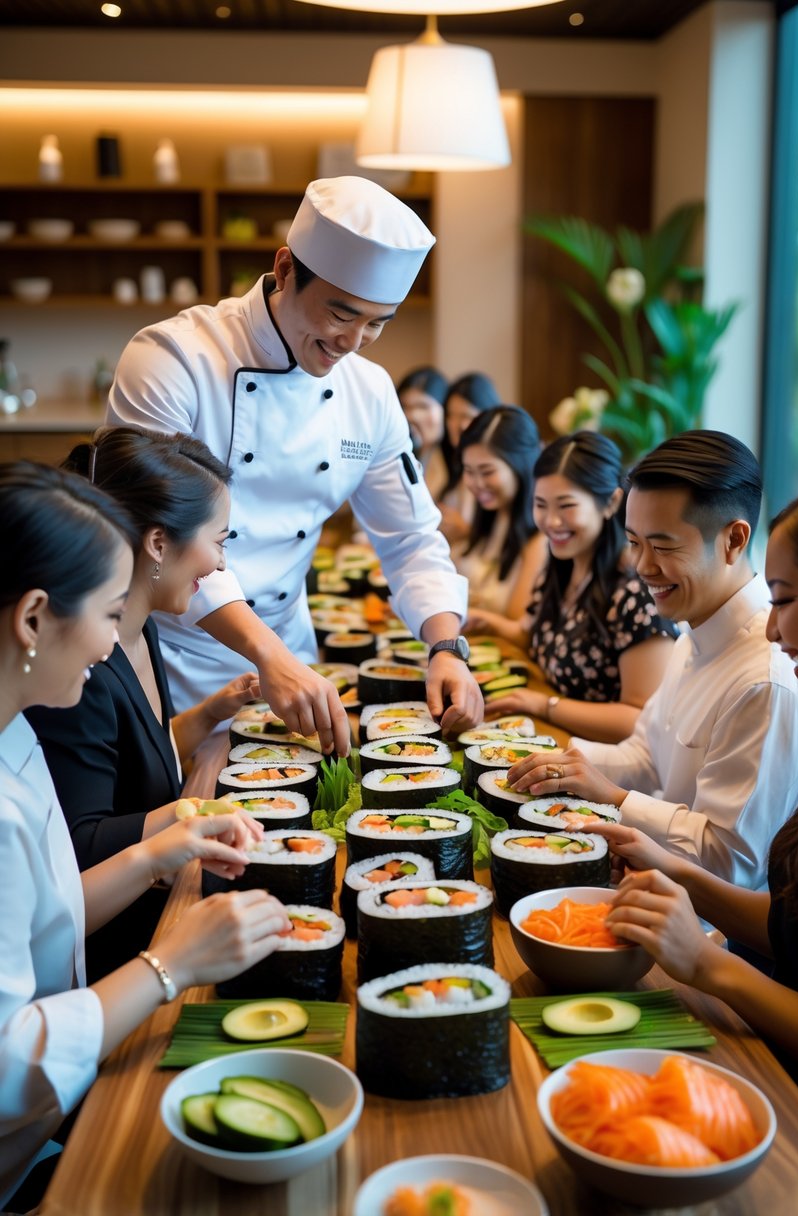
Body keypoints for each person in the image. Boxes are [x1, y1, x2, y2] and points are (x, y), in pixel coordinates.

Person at [107, 176, 482, 755]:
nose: (353, 342)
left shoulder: (370, 393)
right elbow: (155, 533)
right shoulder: (173, 359)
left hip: (290, 658)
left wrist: (445, 646)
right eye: (341, 313)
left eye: (378, 323)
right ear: (285, 268)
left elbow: (409, 538)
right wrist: (265, 652)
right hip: (166, 659)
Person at [0, 462, 289, 1208]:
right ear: (33, 618)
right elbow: (6, 1066)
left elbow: (47, 916)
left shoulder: (14, 735)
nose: (109, 646)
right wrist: (170, 964)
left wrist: (158, 851)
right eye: (107, 611)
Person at [598, 483, 798, 1118]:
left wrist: (707, 964)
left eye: (783, 600)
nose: (773, 629)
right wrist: (671, 868)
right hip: (764, 1029)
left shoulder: (768, 678)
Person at [508, 430, 798, 890]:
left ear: (734, 540)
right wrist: (556, 761)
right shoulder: (691, 631)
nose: (641, 565)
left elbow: (734, 862)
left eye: (663, 545)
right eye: (634, 542)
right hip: (650, 878)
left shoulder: (767, 677)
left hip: (710, 930)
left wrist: (615, 798)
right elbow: (646, 755)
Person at [26, 427, 260, 982]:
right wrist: (192, 814)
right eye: (220, 540)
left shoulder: (141, 630)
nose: (221, 566)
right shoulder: (80, 672)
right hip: (113, 950)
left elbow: (136, 763)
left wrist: (212, 711)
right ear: (159, 544)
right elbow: (80, 847)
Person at [473, 431, 678, 743]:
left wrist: (544, 705)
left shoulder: (636, 593)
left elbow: (639, 719)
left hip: (600, 766)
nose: (551, 521)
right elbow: (536, 636)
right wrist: (483, 622)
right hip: (548, 738)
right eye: (540, 505)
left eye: (566, 506)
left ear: (611, 502)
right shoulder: (561, 565)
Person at [453, 405, 547, 619]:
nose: (476, 483)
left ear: (522, 465)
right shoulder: (491, 517)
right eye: (469, 471)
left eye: (487, 472)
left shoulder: (539, 538)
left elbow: (516, 619)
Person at [440, 371, 501, 545]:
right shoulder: (451, 464)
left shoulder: (496, 474)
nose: (460, 425)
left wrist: (467, 532)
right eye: (452, 416)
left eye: (468, 416)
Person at [396, 365, 450, 503]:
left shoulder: (457, 463)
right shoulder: (400, 456)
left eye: (423, 406)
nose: (412, 416)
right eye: (405, 406)